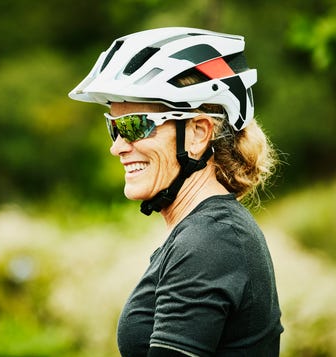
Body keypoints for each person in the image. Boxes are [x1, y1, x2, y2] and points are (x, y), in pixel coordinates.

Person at [69, 27, 283, 357]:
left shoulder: (210, 242)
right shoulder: (201, 232)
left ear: (198, 133)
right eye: (114, 126)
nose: (117, 147)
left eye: (135, 125)